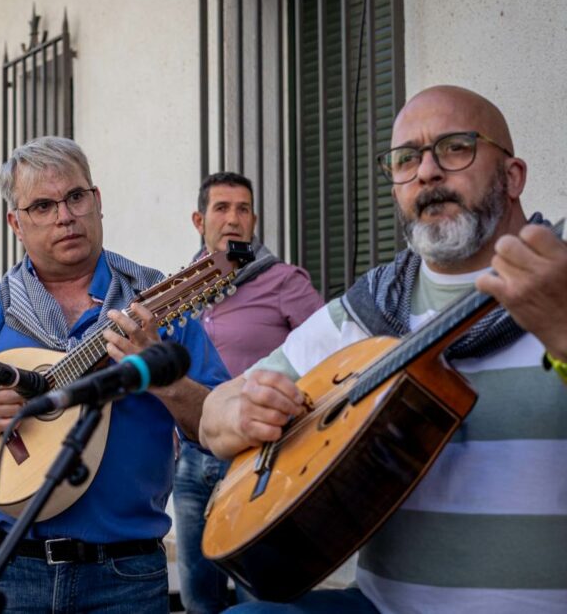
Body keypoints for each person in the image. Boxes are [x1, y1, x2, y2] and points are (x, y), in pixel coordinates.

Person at [199, 85, 567, 613]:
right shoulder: (366, 311)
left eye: (455, 148)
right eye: (406, 158)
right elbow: (214, 415)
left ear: (512, 177)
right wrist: (237, 413)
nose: (427, 172)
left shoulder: (559, 285)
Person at [0, 136, 229, 613]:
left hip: (125, 574)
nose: (65, 216)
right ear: (16, 223)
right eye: (42, 206)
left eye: (76, 197)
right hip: (8, 570)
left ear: (97, 202)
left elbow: (221, 425)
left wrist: (161, 375)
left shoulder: (154, 309)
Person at [174, 173, 322, 613]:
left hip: (259, 461)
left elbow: (327, 356)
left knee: (261, 596)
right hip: (191, 462)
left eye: (243, 209)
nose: (233, 219)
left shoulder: (284, 281)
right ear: (199, 219)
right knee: (199, 597)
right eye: (221, 208)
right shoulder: (179, 291)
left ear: (254, 220)